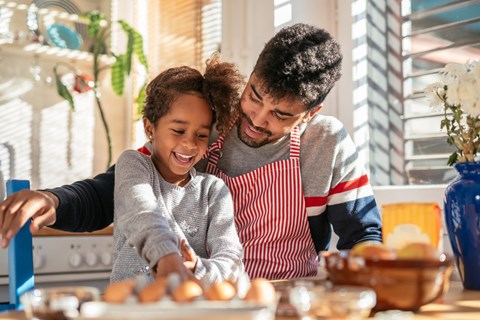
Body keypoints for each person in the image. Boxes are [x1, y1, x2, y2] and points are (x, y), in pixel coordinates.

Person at [0, 23, 382, 280]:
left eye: (280, 115)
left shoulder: (326, 143)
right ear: (251, 77)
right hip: (206, 304)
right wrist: (55, 201)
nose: (256, 118)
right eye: (254, 96)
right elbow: (122, 190)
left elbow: (363, 233)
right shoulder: (206, 126)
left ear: (309, 114)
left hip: (287, 303)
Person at [111, 55, 244, 283]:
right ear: (150, 128)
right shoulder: (133, 165)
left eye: (201, 135)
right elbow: (142, 212)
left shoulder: (212, 190)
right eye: (178, 131)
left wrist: (198, 269)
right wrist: (167, 257)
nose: (190, 144)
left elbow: (231, 258)